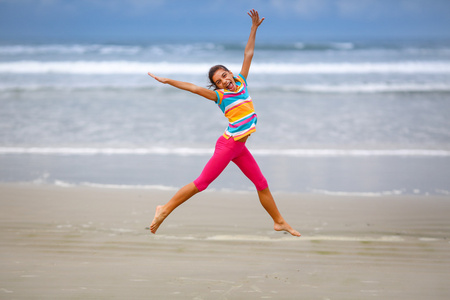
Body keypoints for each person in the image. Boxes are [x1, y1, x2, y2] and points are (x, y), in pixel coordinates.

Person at [148, 9, 300, 237]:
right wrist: (168, 80)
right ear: (217, 87)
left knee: (261, 183)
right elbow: (194, 87)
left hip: (239, 147)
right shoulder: (220, 96)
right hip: (229, 145)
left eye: (225, 75)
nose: (225, 81)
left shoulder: (241, 81)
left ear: (230, 73)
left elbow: (248, 54)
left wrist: (253, 29)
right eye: (219, 81)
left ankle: (279, 221)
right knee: (201, 183)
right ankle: (164, 209)